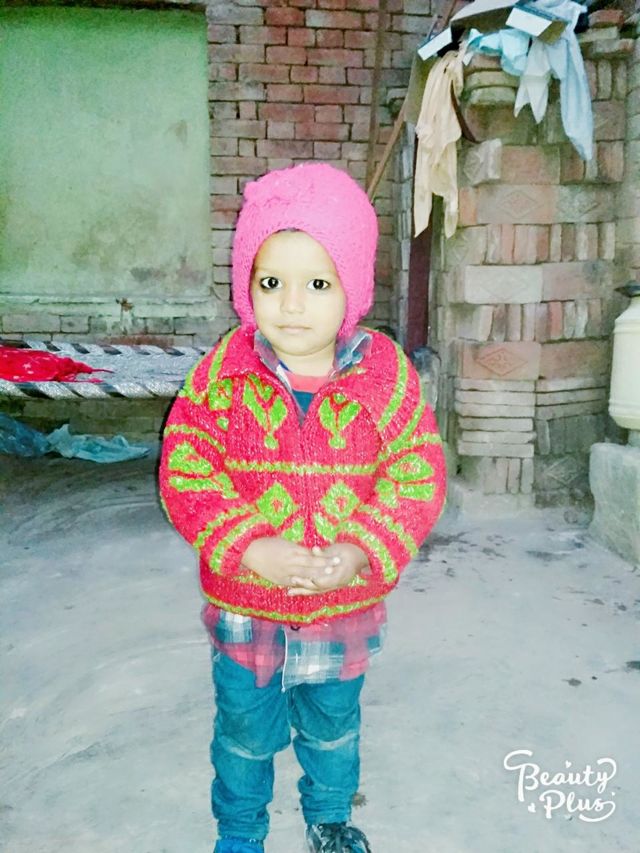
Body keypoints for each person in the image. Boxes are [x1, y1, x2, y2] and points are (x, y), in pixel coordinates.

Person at [158, 162, 447, 853]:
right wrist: (249, 546)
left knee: (333, 727)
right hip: (246, 607)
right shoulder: (222, 376)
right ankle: (240, 830)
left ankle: (329, 817)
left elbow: (417, 473)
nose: (291, 306)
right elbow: (186, 469)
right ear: (246, 286)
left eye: (317, 283)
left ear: (352, 287)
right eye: (270, 283)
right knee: (244, 733)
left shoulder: (386, 376)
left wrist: (361, 549)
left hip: (344, 607)